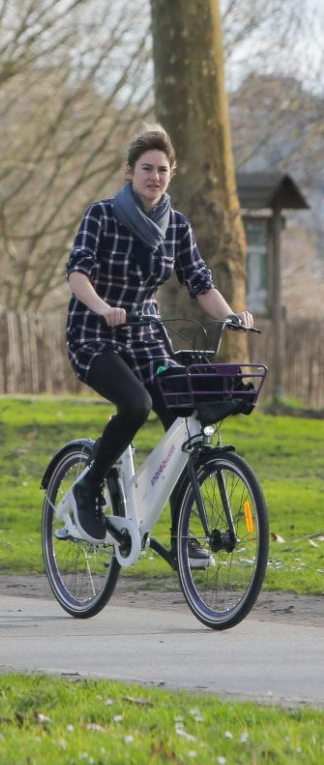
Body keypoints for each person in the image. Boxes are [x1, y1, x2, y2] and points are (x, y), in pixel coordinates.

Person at [66, 125, 253, 555]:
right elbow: (78, 272)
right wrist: (101, 307)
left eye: (162, 170)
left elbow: (200, 282)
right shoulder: (103, 214)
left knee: (182, 424)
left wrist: (231, 317)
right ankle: (88, 487)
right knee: (136, 404)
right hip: (95, 333)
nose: (154, 176)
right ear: (130, 172)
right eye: (146, 168)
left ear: (170, 175)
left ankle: (180, 536)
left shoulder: (177, 226)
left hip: (147, 336)